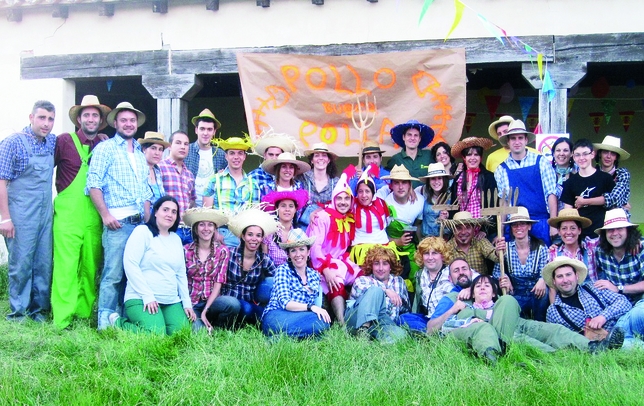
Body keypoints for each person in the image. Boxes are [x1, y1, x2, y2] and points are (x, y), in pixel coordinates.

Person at [428, 262, 624, 362]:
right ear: (451, 277)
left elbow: (506, 302)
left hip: (512, 323)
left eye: (487, 285)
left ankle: (593, 347)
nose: (482, 288)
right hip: (488, 330)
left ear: (494, 291)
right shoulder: (456, 299)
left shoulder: (500, 301)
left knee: (552, 329)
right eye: (456, 270)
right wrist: (455, 309)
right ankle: (555, 356)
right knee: (521, 338)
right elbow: (431, 328)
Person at [87, 101, 153, 330]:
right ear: (115, 123)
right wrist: (105, 215)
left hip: (138, 224)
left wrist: (147, 218)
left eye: (132, 120)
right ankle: (104, 322)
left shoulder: (139, 151)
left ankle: (124, 319)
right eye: (123, 120)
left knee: (133, 274)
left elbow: (145, 188)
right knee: (113, 274)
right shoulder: (105, 149)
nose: (128, 124)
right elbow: (93, 184)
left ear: (137, 124)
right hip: (117, 222)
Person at [51, 95, 110, 329]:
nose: (91, 119)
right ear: (79, 119)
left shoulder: (104, 145)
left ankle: (83, 315)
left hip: (94, 216)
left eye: (95, 115)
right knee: (65, 267)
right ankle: (62, 319)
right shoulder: (64, 141)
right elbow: (45, 169)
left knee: (90, 266)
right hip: (67, 216)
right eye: (86, 115)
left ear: (100, 120)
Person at [0, 100, 56, 322]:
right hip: (20, 211)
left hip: (45, 212)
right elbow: (1, 182)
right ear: (31, 117)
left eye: (51, 119)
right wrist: (4, 218)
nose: (46, 124)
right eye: (42, 118)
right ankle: (18, 312)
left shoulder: (51, 142)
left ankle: (39, 310)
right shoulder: (11, 143)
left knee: (43, 261)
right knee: (21, 262)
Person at [109, 196, 196, 334]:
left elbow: (180, 274)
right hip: (141, 297)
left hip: (170, 300)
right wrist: (147, 296)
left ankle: (158, 323)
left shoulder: (176, 239)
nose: (169, 214)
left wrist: (186, 303)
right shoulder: (142, 232)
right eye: (165, 210)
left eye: (174, 212)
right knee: (156, 335)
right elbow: (130, 264)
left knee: (182, 334)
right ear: (155, 212)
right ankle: (119, 323)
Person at [543, 257, 639, 348]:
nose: (565, 280)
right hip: (602, 342)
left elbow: (624, 302)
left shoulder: (593, 287)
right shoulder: (553, 312)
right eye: (560, 276)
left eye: (568, 274)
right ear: (554, 281)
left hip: (622, 324)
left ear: (576, 276)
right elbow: (558, 339)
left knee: (641, 309)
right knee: (635, 347)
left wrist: (603, 317)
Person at [307, 173, 361, 324]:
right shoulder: (322, 217)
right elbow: (315, 246)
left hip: (342, 261)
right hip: (322, 263)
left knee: (361, 277)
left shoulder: (349, 218)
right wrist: (325, 269)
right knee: (336, 280)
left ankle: (357, 316)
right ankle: (342, 323)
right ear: (333, 199)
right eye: (339, 198)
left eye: (346, 198)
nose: (343, 202)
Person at [494, 119, 558, 245]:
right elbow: (504, 203)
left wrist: (553, 224)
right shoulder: (501, 169)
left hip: (541, 222)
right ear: (508, 141)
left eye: (520, 138)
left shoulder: (541, 162)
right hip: (515, 225)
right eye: (513, 138)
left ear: (526, 140)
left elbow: (551, 194)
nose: (517, 142)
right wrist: (500, 232)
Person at [262, 228, 331, 339]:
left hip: (299, 316)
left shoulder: (314, 275)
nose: (298, 254)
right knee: (318, 326)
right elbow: (286, 303)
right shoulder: (283, 270)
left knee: (322, 321)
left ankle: (284, 337)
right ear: (288, 254)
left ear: (308, 252)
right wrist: (311, 307)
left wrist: (315, 310)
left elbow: (316, 304)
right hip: (277, 314)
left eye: (301, 249)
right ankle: (301, 336)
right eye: (293, 250)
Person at [183, 207, 240, 332]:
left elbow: (218, 283)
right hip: (193, 303)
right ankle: (203, 326)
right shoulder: (185, 250)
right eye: (202, 225)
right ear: (196, 229)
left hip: (212, 302)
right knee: (199, 334)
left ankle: (218, 326)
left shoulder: (222, 251)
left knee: (232, 304)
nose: (206, 229)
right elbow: (181, 280)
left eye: (210, 225)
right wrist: (189, 307)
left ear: (215, 229)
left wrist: (206, 310)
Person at [221, 205, 278, 324]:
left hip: (249, 303)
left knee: (259, 312)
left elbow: (277, 278)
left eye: (258, 235)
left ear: (262, 238)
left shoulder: (264, 259)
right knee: (244, 309)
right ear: (243, 236)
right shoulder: (229, 254)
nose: (254, 239)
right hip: (228, 300)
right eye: (250, 234)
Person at [203, 135, 260, 248]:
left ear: (244, 156)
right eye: (232, 153)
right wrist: (215, 234)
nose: (236, 157)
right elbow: (206, 214)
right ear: (226, 156)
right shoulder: (214, 180)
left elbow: (255, 216)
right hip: (221, 235)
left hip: (243, 236)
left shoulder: (253, 184)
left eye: (240, 153)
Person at [494, 207, 549, 321]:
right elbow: (496, 271)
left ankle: (540, 322)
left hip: (535, 292)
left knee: (545, 293)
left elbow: (547, 269)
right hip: (515, 291)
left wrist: (542, 279)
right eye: (515, 225)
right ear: (511, 228)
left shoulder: (541, 247)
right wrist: (504, 277)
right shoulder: (505, 248)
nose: (519, 228)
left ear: (529, 226)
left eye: (522, 224)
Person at [346, 246, 410, 342]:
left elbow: (404, 307)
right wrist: (385, 290)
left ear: (390, 266)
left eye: (385, 264)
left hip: (383, 322)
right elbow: (362, 290)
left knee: (401, 335)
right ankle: (363, 332)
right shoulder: (363, 280)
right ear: (371, 266)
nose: (380, 268)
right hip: (357, 319)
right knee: (375, 291)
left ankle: (374, 343)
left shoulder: (399, 281)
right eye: (376, 264)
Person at [561, 139, 615, 239]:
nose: (581, 158)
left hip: (604, 235)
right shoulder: (569, 183)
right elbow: (567, 214)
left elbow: (615, 206)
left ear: (592, 154)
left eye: (585, 154)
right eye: (577, 155)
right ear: (573, 156)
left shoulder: (606, 178)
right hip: (580, 237)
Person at [594, 209, 644, 305]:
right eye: (610, 230)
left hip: (640, 303)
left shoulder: (640, 248)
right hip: (616, 304)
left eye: (620, 228)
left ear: (628, 231)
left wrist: (619, 288)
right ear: (604, 234)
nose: (615, 233)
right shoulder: (600, 252)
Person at [350, 165, 396, 265]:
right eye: (360, 191)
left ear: (373, 192)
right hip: (361, 249)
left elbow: (387, 222)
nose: (364, 195)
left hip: (383, 246)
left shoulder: (381, 203)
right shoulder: (352, 205)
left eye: (367, 191)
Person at [159, 130, 196, 244]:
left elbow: (192, 200)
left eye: (186, 144)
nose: (183, 147)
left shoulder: (189, 174)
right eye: (178, 143)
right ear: (170, 146)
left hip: (187, 229)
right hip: (169, 228)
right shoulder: (160, 168)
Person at [185, 109, 227, 207]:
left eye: (209, 129)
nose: (205, 133)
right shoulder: (186, 150)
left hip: (213, 208)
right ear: (196, 130)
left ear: (214, 132)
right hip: (189, 206)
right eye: (202, 129)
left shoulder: (221, 154)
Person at [547, 208, 599, 282]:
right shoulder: (554, 252)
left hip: (592, 292)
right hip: (567, 293)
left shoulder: (590, 246)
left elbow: (606, 239)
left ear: (579, 230)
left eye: (573, 228)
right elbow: (552, 283)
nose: (568, 232)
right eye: (564, 228)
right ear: (559, 231)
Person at [449, 137, 496, 218]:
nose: (472, 158)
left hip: (482, 227)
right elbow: (454, 207)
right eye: (469, 155)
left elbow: (492, 207)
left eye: (476, 155)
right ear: (464, 158)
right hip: (462, 228)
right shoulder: (457, 179)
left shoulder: (489, 177)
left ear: (481, 158)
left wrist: (485, 230)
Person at [262, 189, 309, 266]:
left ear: (295, 210)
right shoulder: (269, 233)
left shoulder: (299, 233)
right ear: (276, 209)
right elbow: (264, 263)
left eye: (291, 206)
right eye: (283, 206)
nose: (287, 209)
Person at [249, 129, 301, 198]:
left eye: (277, 155)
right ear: (264, 155)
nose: (274, 158)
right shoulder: (254, 176)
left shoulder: (295, 182)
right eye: (271, 154)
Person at [298, 143, 339, 228]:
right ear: (312, 160)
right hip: (305, 226)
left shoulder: (335, 182)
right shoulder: (302, 178)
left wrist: (319, 210)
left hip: (327, 226)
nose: (320, 158)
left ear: (328, 160)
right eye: (317, 155)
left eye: (324, 155)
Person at [443, 211, 498, 276]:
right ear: (454, 230)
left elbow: (495, 256)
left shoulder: (480, 242)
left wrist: (498, 252)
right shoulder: (447, 247)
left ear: (473, 229)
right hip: (456, 285)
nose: (463, 232)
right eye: (459, 228)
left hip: (479, 285)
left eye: (468, 227)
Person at [385, 119, 434, 188]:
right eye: (409, 135)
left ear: (420, 139)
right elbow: (387, 182)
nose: (412, 138)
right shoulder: (395, 159)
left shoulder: (429, 156)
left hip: (426, 197)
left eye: (416, 135)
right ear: (403, 137)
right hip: (403, 198)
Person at [413, 237, 454, 318]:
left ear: (442, 255)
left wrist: (468, 289)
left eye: (435, 253)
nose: (430, 258)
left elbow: (476, 279)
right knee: (405, 318)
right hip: (428, 317)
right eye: (426, 253)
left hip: (449, 317)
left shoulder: (453, 271)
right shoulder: (420, 275)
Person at [593, 135, 631, 213]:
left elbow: (615, 199)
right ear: (600, 154)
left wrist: (591, 201)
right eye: (605, 152)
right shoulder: (592, 173)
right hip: (597, 217)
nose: (608, 156)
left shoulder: (622, 174)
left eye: (613, 154)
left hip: (618, 218)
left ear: (616, 157)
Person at [417, 163, 451, 238]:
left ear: (444, 180)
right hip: (426, 240)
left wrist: (448, 216)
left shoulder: (451, 198)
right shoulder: (422, 193)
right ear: (429, 181)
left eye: (439, 178)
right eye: (433, 178)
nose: (436, 182)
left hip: (445, 240)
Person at [139, 131, 169, 213]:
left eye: (160, 150)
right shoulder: (138, 170)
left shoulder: (157, 171)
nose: (157, 153)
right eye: (153, 148)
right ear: (144, 149)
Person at [551, 137, 575, 212]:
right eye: (558, 150)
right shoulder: (548, 172)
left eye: (565, 150)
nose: (561, 153)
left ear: (571, 153)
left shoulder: (578, 171)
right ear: (553, 153)